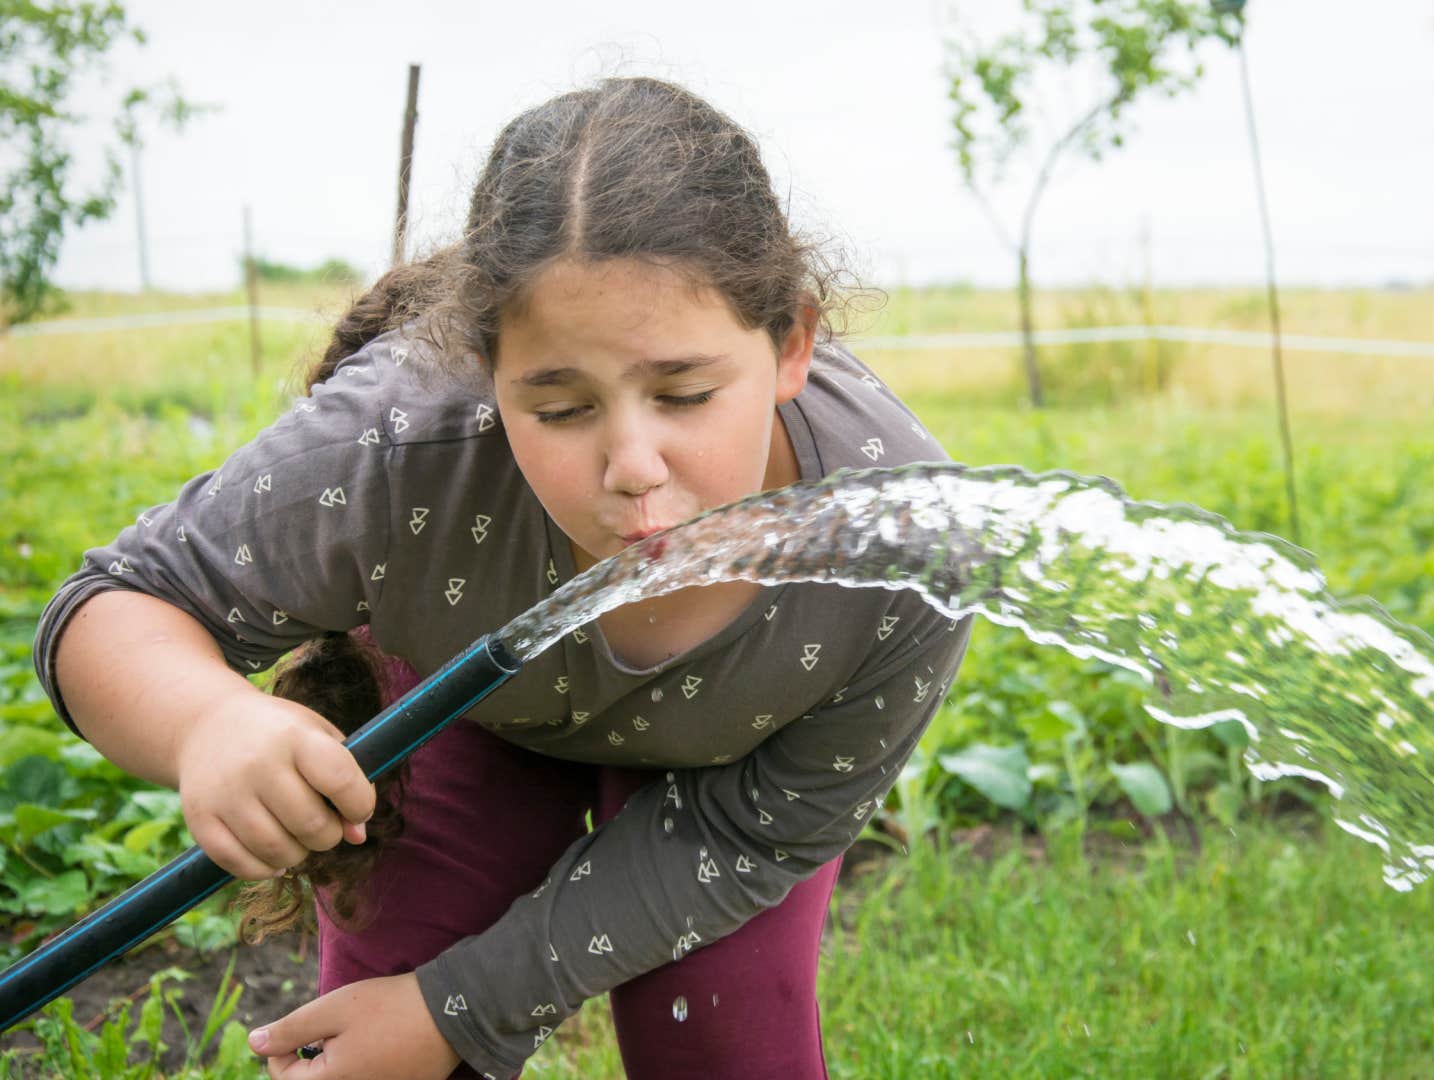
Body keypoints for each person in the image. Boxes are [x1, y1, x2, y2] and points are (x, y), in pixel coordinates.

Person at [31, 76, 972, 1080]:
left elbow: (754, 833)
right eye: (561, 409)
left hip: (726, 781)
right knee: (374, 1044)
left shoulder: (901, 544)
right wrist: (203, 721)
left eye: (686, 394)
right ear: (485, 366)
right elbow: (112, 605)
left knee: (724, 1039)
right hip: (476, 721)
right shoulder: (402, 449)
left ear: (791, 343)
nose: (633, 464)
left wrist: (459, 1009)